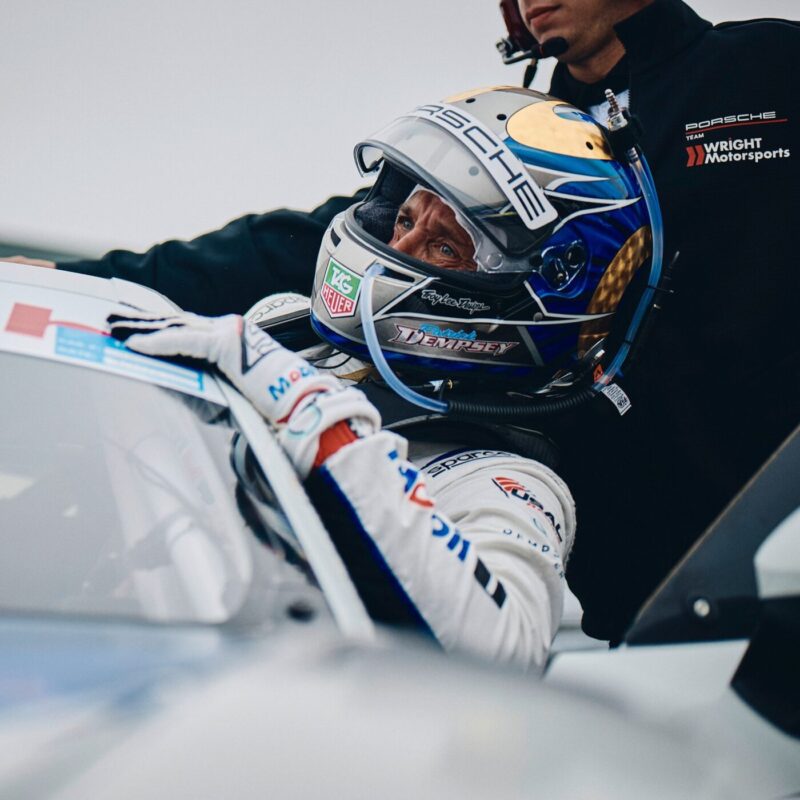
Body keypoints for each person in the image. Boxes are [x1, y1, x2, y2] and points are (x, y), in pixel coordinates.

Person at [15, 0, 798, 644]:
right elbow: (319, 237)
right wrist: (95, 283)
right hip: (626, 589)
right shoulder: (528, 130)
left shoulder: (765, 70)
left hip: (770, 551)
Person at [106, 86, 657, 667]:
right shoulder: (278, 332)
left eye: (444, 245)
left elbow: (505, 653)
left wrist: (316, 417)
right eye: (402, 218)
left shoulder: (501, 481)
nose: (400, 245)